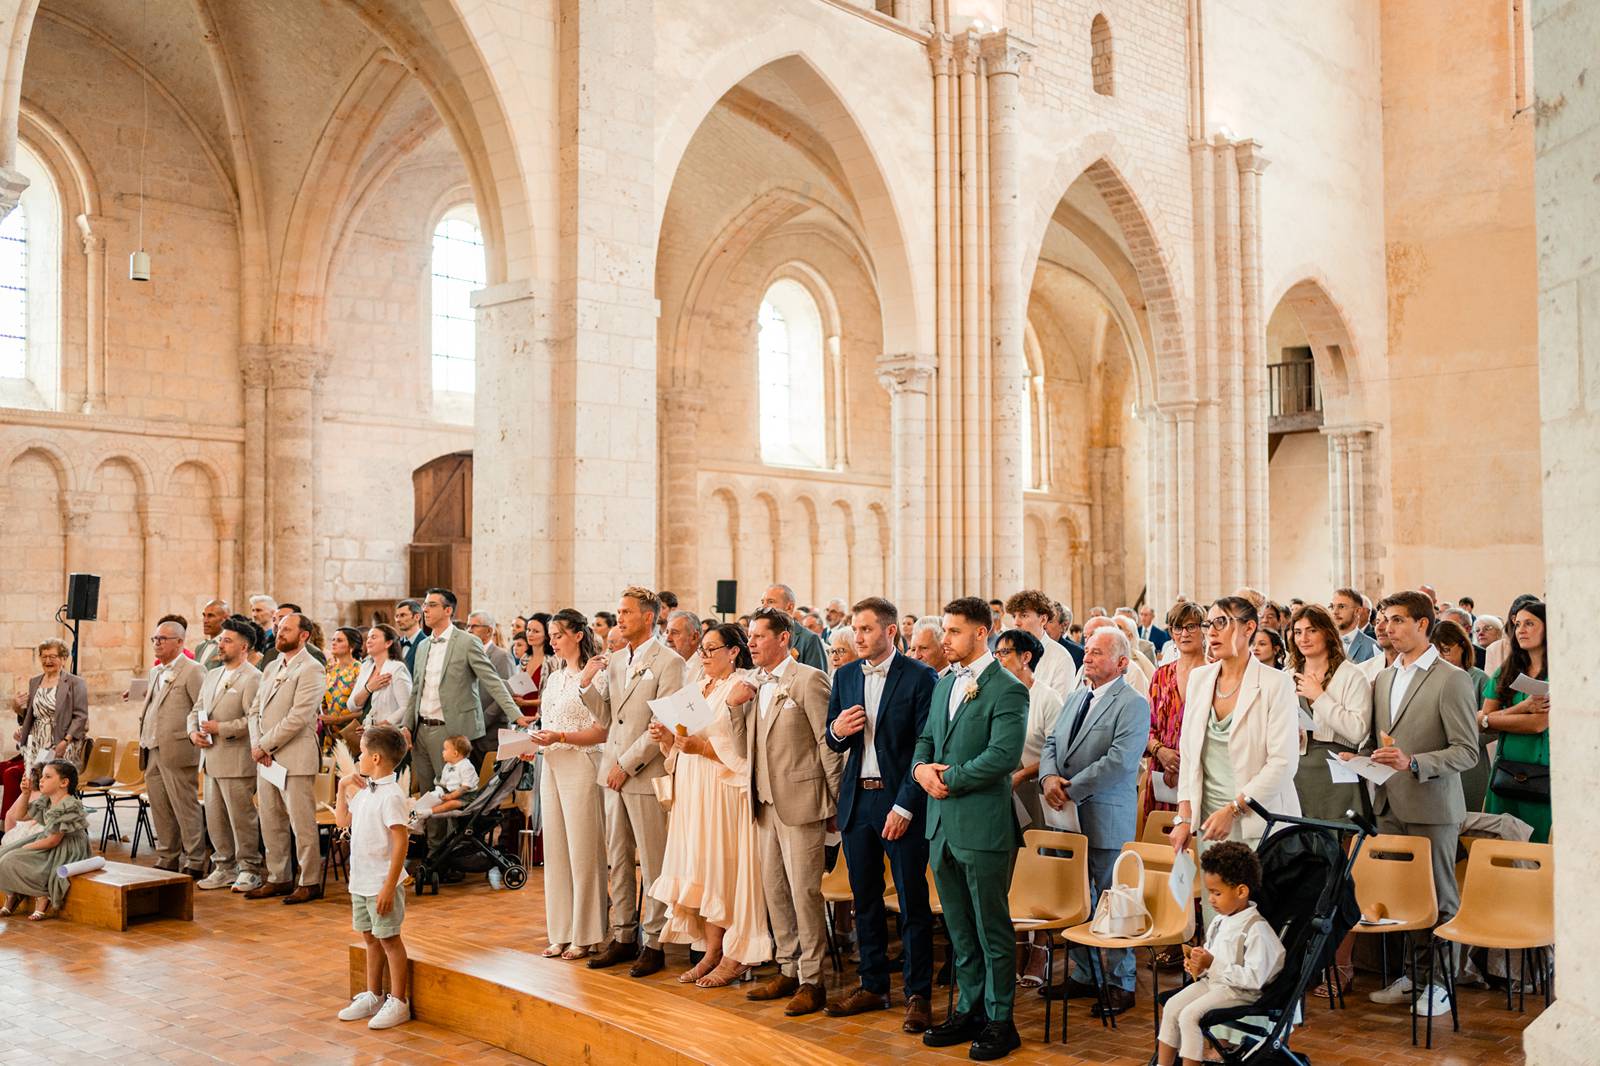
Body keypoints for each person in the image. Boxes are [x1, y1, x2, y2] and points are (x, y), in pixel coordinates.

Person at [912, 597, 1028, 1061]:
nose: (945, 639)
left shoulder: (1008, 689)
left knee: (991, 928)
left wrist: (947, 780)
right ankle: (969, 1008)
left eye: (954, 631)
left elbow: (1003, 757)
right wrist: (921, 769)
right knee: (958, 929)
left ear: (983, 632)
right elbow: (926, 738)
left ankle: (1001, 1020)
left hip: (982, 824)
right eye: (945, 630)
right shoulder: (944, 684)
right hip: (940, 825)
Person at [1359, 591, 1479, 1018]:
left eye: (1396, 620)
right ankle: (1414, 975)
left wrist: (1415, 762)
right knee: (1405, 898)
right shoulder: (1384, 678)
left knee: (1440, 898)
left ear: (1423, 624)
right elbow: (1382, 737)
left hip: (1432, 805)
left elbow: (1468, 751)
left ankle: (1440, 984)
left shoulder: (1451, 678)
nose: (1386, 628)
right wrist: (1359, 754)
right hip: (1389, 801)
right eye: (1384, 620)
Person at [822, 599, 939, 1032]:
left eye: (867, 629)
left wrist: (906, 805)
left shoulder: (920, 676)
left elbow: (927, 746)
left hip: (901, 800)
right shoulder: (847, 674)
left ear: (891, 632)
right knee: (864, 899)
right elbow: (832, 739)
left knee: (912, 903)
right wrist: (838, 730)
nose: (858, 637)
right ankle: (872, 984)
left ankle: (917, 994)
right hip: (859, 800)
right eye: (856, 629)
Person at [726, 606, 840, 1017]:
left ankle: (814, 980)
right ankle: (788, 968)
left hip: (803, 802)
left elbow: (828, 744)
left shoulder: (809, 680)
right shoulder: (752, 684)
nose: (750, 643)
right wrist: (734, 708)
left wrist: (837, 801)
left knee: (804, 893)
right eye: (749, 636)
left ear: (784, 639)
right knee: (775, 891)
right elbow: (744, 750)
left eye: (758, 636)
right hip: (764, 803)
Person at [648, 621, 772, 987]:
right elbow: (685, 739)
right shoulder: (699, 688)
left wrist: (703, 748)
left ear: (734, 652)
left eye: (710, 649)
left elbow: (747, 746)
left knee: (724, 871)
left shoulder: (743, 686)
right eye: (701, 649)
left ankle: (734, 955)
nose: (702, 656)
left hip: (723, 792)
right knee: (701, 869)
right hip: (693, 790)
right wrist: (668, 737)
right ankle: (711, 951)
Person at [1039, 627, 1151, 1016]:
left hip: (1103, 813)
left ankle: (1122, 981)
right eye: (1087, 651)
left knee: (1113, 897)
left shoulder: (1132, 703)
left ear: (1121, 662)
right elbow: (1052, 742)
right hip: (1067, 815)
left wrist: (1072, 788)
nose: (1087, 657)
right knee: (1077, 898)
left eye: (1098, 653)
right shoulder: (1075, 696)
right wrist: (1049, 778)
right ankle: (1085, 974)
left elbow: (1120, 761)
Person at [580, 587, 686, 978]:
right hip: (613, 772)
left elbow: (667, 724)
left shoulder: (670, 662)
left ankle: (655, 940)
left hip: (645, 772)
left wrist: (626, 764)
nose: (619, 618)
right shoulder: (617, 660)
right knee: (618, 859)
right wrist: (585, 686)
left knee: (653, 861)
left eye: (626, 613)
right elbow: (607, 717)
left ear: (648, 616)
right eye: (619, 612)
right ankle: (623, 934)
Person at [1171, 598, 1300, 874]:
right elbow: (1190, 753)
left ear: (1248, 627)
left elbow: (1283, 763)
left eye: (1222, 623)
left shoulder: (1276, 684)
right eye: (1209, 624)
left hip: (1258, 817)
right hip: (1209, 820)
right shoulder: (1200, 679)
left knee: (1255, 909)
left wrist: (1233, 810)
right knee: (1215, 909)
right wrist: (1184, 817)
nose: (1211, 633)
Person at [405, 588, 519, 848]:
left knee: (450, 794)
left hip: (450, 731)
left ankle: (452, 855)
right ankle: (434, 854)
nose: (425, 609)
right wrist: (406, 727)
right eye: (424, 605)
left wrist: (516, 714)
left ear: (448, 611)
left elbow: (493, 681)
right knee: (427, 794)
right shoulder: (423, 645)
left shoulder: (467, 642)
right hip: (421, 728)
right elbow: (416, 689)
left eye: (432, 605)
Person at [526, 609, 610, 960]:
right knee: (556, 850)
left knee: (583, 850)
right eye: (551, 636)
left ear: (578, 635)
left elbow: (601, 729)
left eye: (558, 635)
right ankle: (559, 931)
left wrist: (560, 735)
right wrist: (533, 743)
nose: (553, 642)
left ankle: (587, 932)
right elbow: (549, 718)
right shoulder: (556, 677)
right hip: (552, 763)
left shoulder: (597, 674)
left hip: (582, 761)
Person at [1156, 842, 1284, 1066]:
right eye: (1209, 893)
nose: (1211, 899)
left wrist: (1212, 964)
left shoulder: (1257, 930)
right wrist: (1197, 964)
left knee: (1189, 1016)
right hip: (1214, 983)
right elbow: (1212, 959)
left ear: (1241, 891)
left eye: (1217, 893)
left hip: (1240, 991)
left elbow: (1254, 979)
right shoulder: (1220, 921)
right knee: (1172, 1007)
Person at [334, 724, 412, 1031]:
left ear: (376, 758)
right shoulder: (367, 793)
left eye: (362, 752)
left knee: (389, 939)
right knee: (370, 938)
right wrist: (342, 789)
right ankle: (374, 995)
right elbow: (342, 820)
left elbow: (401, 841)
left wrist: (389, 886)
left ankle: (399, 1000)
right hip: (361, 882)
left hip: (381, 882)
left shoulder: (391, 795)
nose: (358, 757)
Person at [245, 611, 325, 902]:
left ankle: (310, 880)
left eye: (287, 629)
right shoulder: (271, 665)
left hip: (295, 756)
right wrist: (258, 745)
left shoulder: (311, 669)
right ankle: (279, 876)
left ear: (303, 635)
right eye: (278, 628)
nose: (279, 633)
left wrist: (265, 745)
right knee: (271, 819)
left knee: (301, 823)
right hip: (265, 757)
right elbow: (254, 710)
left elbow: (299, 716)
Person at [187, 617, 265, 892]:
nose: (220, 644)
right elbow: (196, 709)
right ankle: (224, 866)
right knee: (215, 818)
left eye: (227, 640)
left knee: (241, 818)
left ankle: (249, 868)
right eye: (221, 639)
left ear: (244, 646)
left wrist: (222, 728)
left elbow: (252, 719)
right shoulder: (212, 675)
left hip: (236, 758)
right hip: (210, 758)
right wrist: (193, 731)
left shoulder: (253, 678)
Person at [1287, 605, 1372, 821]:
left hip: (1337, 769)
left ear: (1327, 632)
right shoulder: (1287, 676)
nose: (1303, 638)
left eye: (1311, 630)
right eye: (1298, 632)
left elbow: (1357, 731)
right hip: (1297, 771)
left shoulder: (1352, 675)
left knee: (1337, 843)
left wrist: (1320, 697)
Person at [137, 620, 207, 877]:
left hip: (178, 748)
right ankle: (168, 854)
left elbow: (201, 708)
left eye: (163, 639)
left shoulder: (193, 670)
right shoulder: (156, 671)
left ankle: (196, 859)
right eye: (155, 638)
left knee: (184, 805)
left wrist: (197, 737)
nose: (157, 643)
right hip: (152, 746)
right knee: (160, 805)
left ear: (180, 642)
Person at [1479, 600, 1550, 841]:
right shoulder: (1506, 671)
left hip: (1545, 772)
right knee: (1503, 846)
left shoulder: (1559, 672)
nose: (1520, 630)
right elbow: (1479, 721)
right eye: (1517, 624)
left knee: (1539, 847)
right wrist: (1523, 707)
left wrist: (1494, 719)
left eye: (1529, 623)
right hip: (1506, 770)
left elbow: (1538, 724)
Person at [993, 629, 1065, 832]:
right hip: (1000, 786)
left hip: (1035, 786)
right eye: (996, 654)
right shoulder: (996, 695)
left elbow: (1058, 751)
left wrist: (1022, 775)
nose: (998, 659)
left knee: (1033, 852)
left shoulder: (1047, 698)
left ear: (1025, 657)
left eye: (1004, 653)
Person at [0, 760, 90, 920]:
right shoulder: (46, 800)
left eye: (47, 777)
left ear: (64, 782)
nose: (41, 780)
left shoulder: (69, 804)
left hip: (65, 847)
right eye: (42, 776)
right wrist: (26, 793)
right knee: (4, 854)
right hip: (47, 839)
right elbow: (20, 816)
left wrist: (26, 847)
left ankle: (41, 894)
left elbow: (53, 841)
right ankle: (13, 893)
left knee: (12, 858)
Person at [1145, 601, 1206, 814]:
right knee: (1158, 842)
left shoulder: (1216, 673)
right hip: (1162, 773)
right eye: (1177, 628)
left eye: (1191, 626)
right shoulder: (1161, 675)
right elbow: (1146, 725)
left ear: (1203, 630)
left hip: (1202, 775)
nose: (1184, 634)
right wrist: (1159, 751)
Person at [1429, 619, 1493, 812]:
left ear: (1463, 646)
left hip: (1470, 764)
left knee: (1468, 821)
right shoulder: (1430, 679)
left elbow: (1495, 725)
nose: (1442, 658)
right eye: (1436, 653)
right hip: (1438, 759)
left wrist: (1467, 739)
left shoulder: (1479, 678)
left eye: (1446, 651)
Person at [11, 639, 88, 772]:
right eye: (44, 656)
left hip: (62, 740)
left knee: (54, 781)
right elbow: (32, 713)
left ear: (63, 659)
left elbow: (81, 717)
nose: (48, 661)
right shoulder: (34, 681)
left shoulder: (75, 682)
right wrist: (17, 707)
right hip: (36, 740)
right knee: (35, 782)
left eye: (53, 657)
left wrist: (65, 742)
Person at [1004, 590, 1074, 700]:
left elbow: (1060, 709)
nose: (1016, 623)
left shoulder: (1062, 658)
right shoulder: (1010, 654)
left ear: (1043, 619)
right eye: (1014, 616)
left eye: (1024, 615)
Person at [348, 624, 415, 737]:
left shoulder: (397, 668)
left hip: (390, 734)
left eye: (373, 637)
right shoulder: (366, 667)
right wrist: (369, 688)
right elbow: (352, 706)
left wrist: (380, 726)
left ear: (388, 643)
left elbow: (407, 707)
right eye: (368, 638)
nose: (368, 641)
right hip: (369, 733)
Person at [467, 610, 516, 762]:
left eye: (474, 626)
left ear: (489, 630)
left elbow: (506, 692)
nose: (468, 630)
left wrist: (481, 722)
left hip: (490, 733)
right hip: (468, 733)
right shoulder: (466, 654)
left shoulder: (501, 656)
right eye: (467, 626)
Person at [410, 735, 479, 825]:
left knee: (451, 804)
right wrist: (439, 793)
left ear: (455, 753)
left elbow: (465, 787)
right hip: (449, 792)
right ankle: (416, 813)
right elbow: (443, 783)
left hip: (465, 797)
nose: (442, 752)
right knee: (432, 797)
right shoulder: (448, 765)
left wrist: (451, 796)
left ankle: (429, 812)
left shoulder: (466, 766)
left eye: (445, 749)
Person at [760, 585, 828, 670]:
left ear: (789, 607)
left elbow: (817, 680)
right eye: (763, 602)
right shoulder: (761, 637)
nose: (764, 607)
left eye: (770, 601)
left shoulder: (809, 639)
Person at [321, 626, 365, 751]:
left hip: (351, 731)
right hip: (330, 732)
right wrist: (324, 715)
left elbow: (366, 708)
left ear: (352, 646)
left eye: (339, 640)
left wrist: (338, 719)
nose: (334, 643)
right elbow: (324, 700)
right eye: (333, 640)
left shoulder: (359, 669)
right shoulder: (330, 668)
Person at [512, 613, 552, 723]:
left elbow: (554, 697)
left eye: (536, 631)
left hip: (542, 716)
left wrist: (526, 703)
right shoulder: (525, 658)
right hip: (521, 715)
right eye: (528, 630)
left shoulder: (552, 661)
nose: (530, 634)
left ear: (547, 634)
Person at [1330, 587, 1378, 663]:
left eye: (1341, 606)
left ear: (1357, 611)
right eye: (1332, 606)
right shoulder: (1324, 643)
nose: (1335, 612)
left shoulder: (1372, 647)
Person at [665, 609, 704, 685]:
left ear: (694, 637)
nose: (667, 639)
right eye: (667, 632)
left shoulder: (706, 668)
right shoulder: (665, 663)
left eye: (674, 633)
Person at [193, 599, 230, 670]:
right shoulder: (200, 647)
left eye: (211, 616)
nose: (205, 620)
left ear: (225, 619)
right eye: (204, 615)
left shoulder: (229, 646)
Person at [393, 598, 427, 675]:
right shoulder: (396, 644)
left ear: (417, 617)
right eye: (396, 616)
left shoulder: (427, 643)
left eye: (402, 615)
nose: (398, 620)